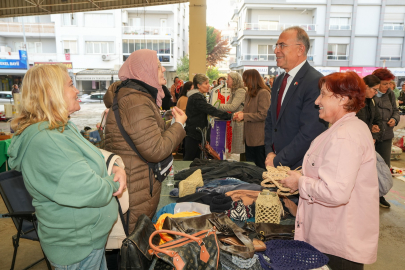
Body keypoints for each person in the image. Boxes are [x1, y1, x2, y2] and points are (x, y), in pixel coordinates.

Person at [7, 64, 127, 269]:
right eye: (71, 85)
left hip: (88, 242)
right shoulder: (48, 140)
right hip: (78, 249)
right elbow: (91, 189)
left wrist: (116, 166)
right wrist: (115, 183)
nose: (77, 90)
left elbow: (94, 154)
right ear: (52, 93)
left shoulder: (60, 128)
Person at [281, 71, 379, 270]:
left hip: (337, 245)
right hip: (334, 236)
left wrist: (299, 183)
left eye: (323, 94)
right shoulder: (345, 129)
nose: (317, 101)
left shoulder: (345, 136)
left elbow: (336, 192)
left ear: (342, 99)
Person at [103, 49, 187, 232]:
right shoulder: (136, 101)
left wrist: (173, 124)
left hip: (137, 185)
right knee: (132, 248)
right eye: (158, 66)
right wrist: (179, 126)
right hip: (136, 190)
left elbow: (150, 137)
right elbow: (156, 149)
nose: (163, 69)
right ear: (144, 71)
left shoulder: (137, 97)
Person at [264, 26, 327, 169]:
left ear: (300, 49)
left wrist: (278, 160)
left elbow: (309, 133)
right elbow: (270, 121)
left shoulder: (315, 82)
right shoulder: (279, 81)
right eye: (276, 45)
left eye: (282, 45)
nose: (276, 50)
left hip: (300, 168)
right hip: (275, 162)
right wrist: (269, 152)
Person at [184, 73, 232, 161]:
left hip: (196, 133)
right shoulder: (196, 98)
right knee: (190, 160)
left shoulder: (197, 96)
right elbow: (211, 110)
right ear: (198, 85)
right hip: (194, 134)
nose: (208, 85)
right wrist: (229, 116)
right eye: (206, 83)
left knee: (195, 160)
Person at [372, 68, 399, 208]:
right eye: (384, 83)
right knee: (369, 167)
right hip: (371, 138)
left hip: (386, 136)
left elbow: (395, 110)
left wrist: (394, 119)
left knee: (383, 168)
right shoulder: (370, 94)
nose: (388, 86)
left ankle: (380, 195)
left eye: (389, 83)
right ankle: (367, 196)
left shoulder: (390, 94)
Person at [233, 69, 270, 168]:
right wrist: (241, 113)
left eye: (245, 79)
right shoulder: (248, 93)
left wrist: (244, 116)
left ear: (251, 79)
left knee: (260, 167)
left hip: (259, 138)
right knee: (250, 167)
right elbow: (250, 111)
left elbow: (263, 114)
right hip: (249, 137)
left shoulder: (263, 93)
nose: (243, 82)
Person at [218, 72, 246, 155]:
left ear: (234, 80)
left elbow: (232, 107)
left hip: (240, 124)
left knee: (239, 151)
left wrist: (216, 106)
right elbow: (228, 106)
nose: (226, 81)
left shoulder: (240, 91)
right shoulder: (234, 91)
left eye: (228, 79)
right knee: (236, 150)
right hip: (236, 123)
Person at [356, 75, 382, 143]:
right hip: (355, 141)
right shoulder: (353, 102)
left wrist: (374, 135)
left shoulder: (372, 101)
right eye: (375, 89)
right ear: (366, 87)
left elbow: (378, 120)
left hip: (368, 140)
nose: (376, 92)